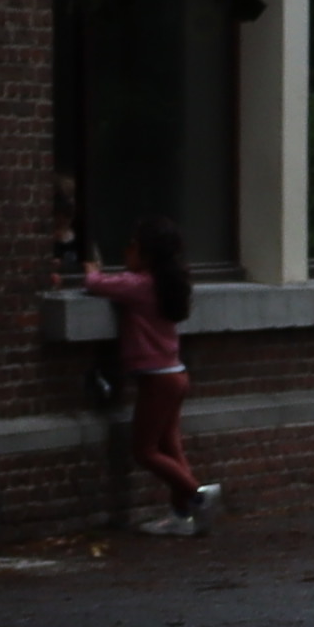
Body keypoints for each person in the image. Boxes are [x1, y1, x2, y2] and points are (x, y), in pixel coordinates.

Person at [83, 215, 217, 533]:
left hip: (157, 379)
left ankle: (199, 496)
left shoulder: (140, 284)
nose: (126, 251)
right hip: (174, 374)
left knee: (144, 451)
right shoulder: (167, 283)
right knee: (170, 447)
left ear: (146, 254)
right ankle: (182, 517)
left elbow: (96, 284)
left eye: (132, 245)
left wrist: (91, 268)